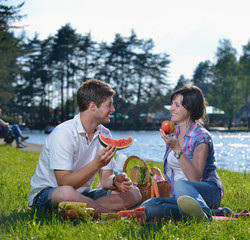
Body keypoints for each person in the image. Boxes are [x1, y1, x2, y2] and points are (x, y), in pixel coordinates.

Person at [28, 79, 142, 218]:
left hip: (82, 195)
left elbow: (106, 178)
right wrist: (96, 164)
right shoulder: (63, 133)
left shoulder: (104, 133)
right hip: (48, 194)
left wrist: (114, 181)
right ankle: (113, 216)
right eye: (109, 105)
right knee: (66, 193)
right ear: (93, 106)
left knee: (134, 193)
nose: (113, 110)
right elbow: (64, 182)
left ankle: (79, 211)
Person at [141, 85, 224, 221]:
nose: (171, 108)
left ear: (189, 108)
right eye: (172, 104)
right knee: (149, 206)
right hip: (179, 196)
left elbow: (194, 178)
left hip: (206, 191)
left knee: (182, 185)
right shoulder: (175, 132)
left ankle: (205, 215)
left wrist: (177, 149)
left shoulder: (201, 137)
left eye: (177, 105)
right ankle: (208, 213)